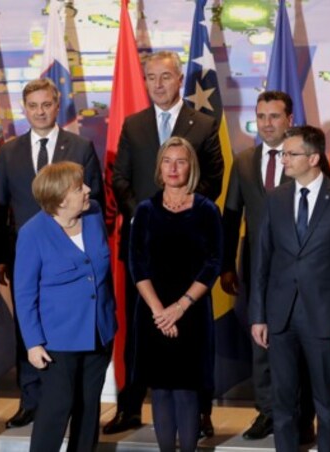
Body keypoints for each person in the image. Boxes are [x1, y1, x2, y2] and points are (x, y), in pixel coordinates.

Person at [109, 50, 223, 437]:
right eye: (151, 77)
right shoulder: (134, 124)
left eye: (166, 77)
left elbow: (213, 180)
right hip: (145, 247)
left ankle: (201, 413)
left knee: (192, 344)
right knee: (142, 333)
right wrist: (146, 214)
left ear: (179, 80)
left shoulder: (204, 124)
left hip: (189, 250)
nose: (158, 84)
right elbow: (120, 178)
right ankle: (129, 406)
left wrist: (179, 211)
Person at [0, 78, 104, 429]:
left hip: (69, 256)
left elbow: (94, 198)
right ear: (24, 110)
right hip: (25, 254)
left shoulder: (80, 146)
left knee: (65, 328)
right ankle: (30, 399)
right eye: (33, 106)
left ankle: (64, 401)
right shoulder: (9, 152)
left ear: (58, 106)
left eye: (46, 104)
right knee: (28, 323)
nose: (40, 111)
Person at [250, 126, 330, 452]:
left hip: (325, 319)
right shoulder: (274, 198)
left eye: (291, 154)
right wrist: (258, 315)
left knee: (327, 402)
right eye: (283, 153)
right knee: (284, 400)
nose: (283, 159)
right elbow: (262, 261)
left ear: (313, 157)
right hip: (280, 317)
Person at [220, 91, 315, 442]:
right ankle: (267, 413)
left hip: (300, 270)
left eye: (274, 116)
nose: (267, 123)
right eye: (261, 116)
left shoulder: (308, 158)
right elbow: (231, 216)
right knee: (261, 342)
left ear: (289, 118)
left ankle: (303, 419)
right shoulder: (244, 161)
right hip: (256, 269)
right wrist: (227, 265)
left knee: (301, 344)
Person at [13, 161, 117, 452]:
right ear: (60, 200)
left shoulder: (93, 213)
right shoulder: (32, 233)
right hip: (58, 341)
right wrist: (33, 343)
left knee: (88, 411)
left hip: (99, 333)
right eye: (78, 188)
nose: (88, 190)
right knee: (57, 409)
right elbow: (24, 293)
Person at [129, 137, 221, 451]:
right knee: (161, 389)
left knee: (186, 389)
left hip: (191, 311)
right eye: (167, 161)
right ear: (159, 166)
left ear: (191, 167)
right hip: (153, 313)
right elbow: (137, 265)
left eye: (180, 161)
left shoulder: (207, 210)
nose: (173, 167)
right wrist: (159, 311)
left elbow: (214, 264)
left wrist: (179, 308)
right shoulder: (144, 210)